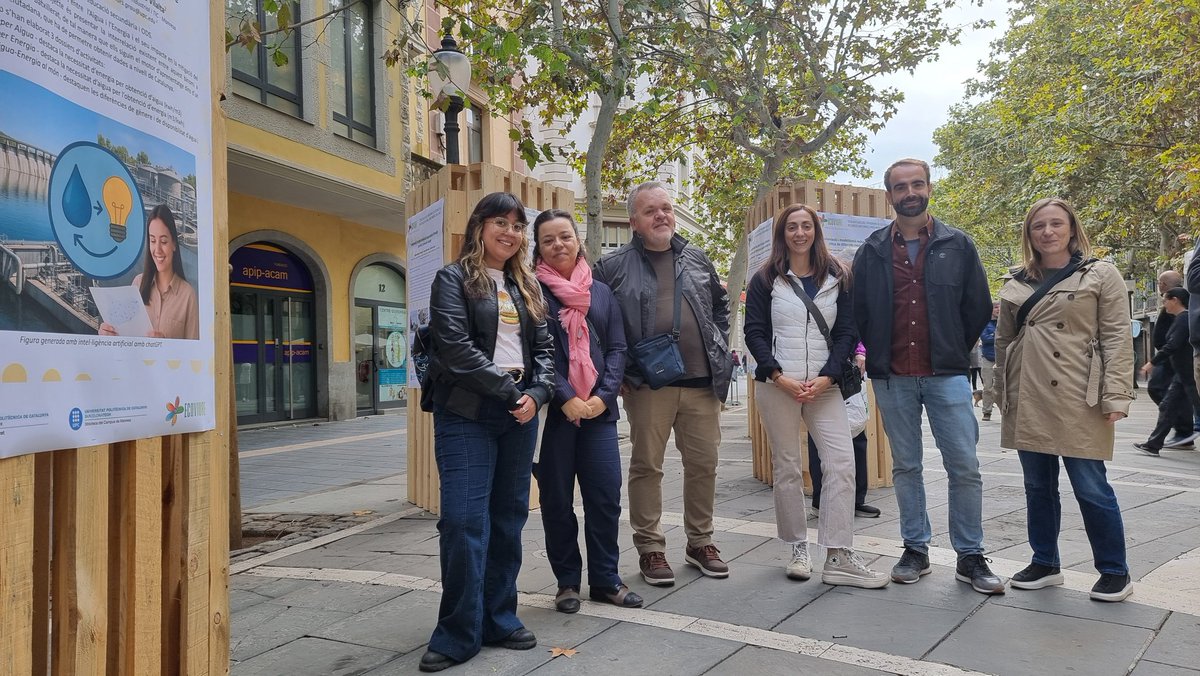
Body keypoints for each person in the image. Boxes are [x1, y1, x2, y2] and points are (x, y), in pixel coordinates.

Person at [850, 158, 1004, 595]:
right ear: (889, 196)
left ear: (929, 188)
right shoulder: (874, 248)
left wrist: (954, 348)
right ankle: (915, 548)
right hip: (893, 375)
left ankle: (970, 555)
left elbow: (977, 305)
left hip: (946, 374)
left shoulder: (959, 244)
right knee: (907, 466)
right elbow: (859, 306)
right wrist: (874, 352)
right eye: (901, 186)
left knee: (965, 465)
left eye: (917, 183)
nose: (910, 192)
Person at [417, 192, 555, 672]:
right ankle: (457, 631)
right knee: (461, 521)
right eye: (501, 222)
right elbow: (452, 347)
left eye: (518, 226)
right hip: (467, 413)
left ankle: (499, 616)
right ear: (479, 227)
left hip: (518, 413)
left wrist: (536, 396)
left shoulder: (527, 285)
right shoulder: (452, 279)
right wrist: (508, 391)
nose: (510, 233)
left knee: (508, 517)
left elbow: (546, 353)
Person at [992, 197, 1135, 602]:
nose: (1048, 232)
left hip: (1078, 393)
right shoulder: (1016, 279)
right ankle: (1045, 562)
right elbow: (1004, 342)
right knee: (1037, 486)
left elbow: (1116, 339)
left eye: (1056, 224)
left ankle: (1114, 570)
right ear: (1029, 234)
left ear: (1072, 229)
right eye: (1039, 226)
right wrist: (1000, 393)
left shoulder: (1100, 274)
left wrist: (1116, 396)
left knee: (1091, 486)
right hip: (1028, 391)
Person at [594, 181, 734, 585]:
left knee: (704, 465)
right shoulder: (613, 266)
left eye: (666, 208)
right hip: (646, 385)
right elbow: (597, 323)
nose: (661, 216)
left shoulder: (697, 258)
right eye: (651, 210)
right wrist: (614, 373)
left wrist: (720, 346)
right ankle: (651, 548)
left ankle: (700, 541)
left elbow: (720, 307)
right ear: (634, 221)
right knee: (646, 467)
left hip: (702, 383)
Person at [744, 203, 889, 588]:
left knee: (841, 463)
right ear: (782, 233)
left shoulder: (839, 275)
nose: (799, 233)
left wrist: (827, 377)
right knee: (788, 467)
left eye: (806, 226)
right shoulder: (765, 279)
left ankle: (838, 553)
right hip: (778, 386)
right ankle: (797, 547)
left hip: (825, 387)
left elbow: (847, 330)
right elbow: (754, 332)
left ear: (816, 231)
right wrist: (777, 376)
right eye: (792, 227)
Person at [531, 209, 643, 613]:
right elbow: (534, 354)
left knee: (604, 497)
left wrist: (603, 396)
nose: (559, 244)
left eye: (565, 236)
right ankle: (566, 583)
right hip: (553, 416)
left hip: (599, 415)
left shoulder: (600, 292)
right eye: (548, 239)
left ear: (578, 240)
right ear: (538, 248)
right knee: (556, 500)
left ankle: (606, 579)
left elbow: (617, 347)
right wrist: (565, 397)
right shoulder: (530, 292)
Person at [99, 204, 199, 339]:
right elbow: (127, 341)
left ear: (174, 244)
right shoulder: (138, 283)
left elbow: (193, 354)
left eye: (163, 241)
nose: (157, 250)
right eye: (152, 240)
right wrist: (109, 334)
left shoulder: (188, 295)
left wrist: (165, 346)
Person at [808, 343, 882, 518]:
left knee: (856, 432)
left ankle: (856, 500)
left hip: (846, 361)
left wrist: (860, 350)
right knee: (820, 435)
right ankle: (821, 500)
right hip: (817, 363)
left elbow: (852, 324)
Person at [1135, 287, 1200, 456]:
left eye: (1165, 300)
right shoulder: (1182, 319)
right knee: (1167, 407)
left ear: (1175, 300)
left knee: (1174, 407)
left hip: (1188, 374)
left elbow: (1172, 345)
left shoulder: (1183, 319)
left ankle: (1154, 444)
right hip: (1183, 375)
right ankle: (1153, 444)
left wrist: (1152, 363)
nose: (1164, 304)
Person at [979, 302, 999, 421]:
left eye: (1000, 307)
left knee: (1004, 387)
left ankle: (1004, 411)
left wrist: (994, 335)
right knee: (988, 387)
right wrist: (997, 335)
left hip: (1003, 358)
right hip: (988, 358)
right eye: (996, 307)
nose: (998, 309)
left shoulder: (1006, 322)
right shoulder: (985, 323)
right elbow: (985, 339)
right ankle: (987, 411)